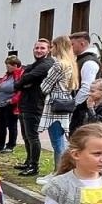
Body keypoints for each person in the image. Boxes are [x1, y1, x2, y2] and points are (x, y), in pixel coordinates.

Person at [36, 36, 79, 172]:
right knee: (61, 140)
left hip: (55, 105)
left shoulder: (59, 65)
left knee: (57, 142)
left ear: (58, 47)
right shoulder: (71, 63)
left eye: (53, 46)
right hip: (65, 102)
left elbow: (45, 86)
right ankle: (59, 170)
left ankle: (59, 172)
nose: (51, 49)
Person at [15, 38, 52, 175]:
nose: (39, 50)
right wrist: (24, 81)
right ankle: (28, 161)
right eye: (37, 48)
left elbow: (25, 79)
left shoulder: (47, 63)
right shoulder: (34, 64)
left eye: (42, 48)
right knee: (26, 136)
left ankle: (34, 166)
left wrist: (23, 81)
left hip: (35, 104)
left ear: (48, 50)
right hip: (25, 103)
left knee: (32, 136)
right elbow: (22, 79)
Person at [67, 30, 102, 130]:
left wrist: (74, 104)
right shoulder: (81, 60)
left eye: (72, 44)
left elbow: (87, 87)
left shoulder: (89, 62)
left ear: (82, 44)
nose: (70, 48)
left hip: (84, 109)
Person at [0, 55, 23, 151]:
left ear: (15, 65)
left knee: (11, 125)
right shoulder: (8, 75)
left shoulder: (18, 75)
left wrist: (13, 100)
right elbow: (3, 85)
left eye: (8, 66)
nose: (7, 68)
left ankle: (11, 145)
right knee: (1, 125)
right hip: (2, 104)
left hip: (11, 104)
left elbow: (19, 90)